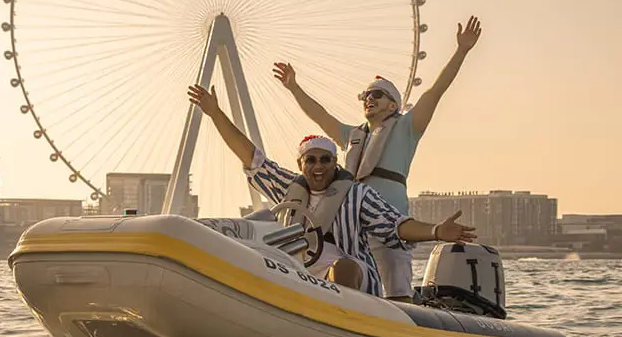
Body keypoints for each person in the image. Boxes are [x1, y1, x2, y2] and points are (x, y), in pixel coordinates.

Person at [187, 83, 475, 296]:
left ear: (335, 163)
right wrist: (215, 113)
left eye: (325, 160)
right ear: (301, 165)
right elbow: (251, 157)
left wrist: (436, 231)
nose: (318, 166)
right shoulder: (289, 190)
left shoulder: (357, 195)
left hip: (350, 275)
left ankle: (341, 324)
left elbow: (396, 225)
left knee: (344, 268)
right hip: (296, 273)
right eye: (310, 161)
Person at [273, 16, 482, 300]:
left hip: (391, 222)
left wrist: (461, 51)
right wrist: (294, 87)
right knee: (353, 282)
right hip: (353, 229)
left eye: (377, 95)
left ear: (394, 104)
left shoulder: (408, 127)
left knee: (397, 290)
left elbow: (436, 92)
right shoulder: (352, 136)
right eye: (365, 96)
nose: (368, 99)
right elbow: (320, 115)